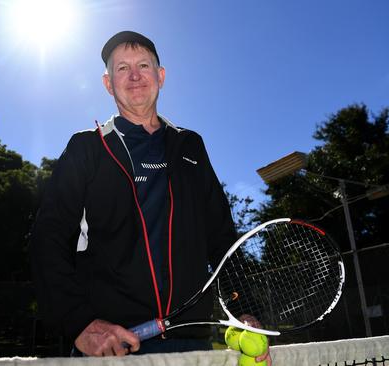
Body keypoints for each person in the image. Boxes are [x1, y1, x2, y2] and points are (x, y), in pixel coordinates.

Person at [31, 31, 269, 362]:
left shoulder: (190, 146)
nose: (134, 75)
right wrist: (79, 322)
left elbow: (222, 240)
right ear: (108, 83)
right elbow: (48, 237)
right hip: (112, 346)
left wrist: (245, 309)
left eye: (144, 65)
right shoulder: (86, 147)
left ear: (161, 76)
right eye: (122, 68)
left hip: (191, 345)